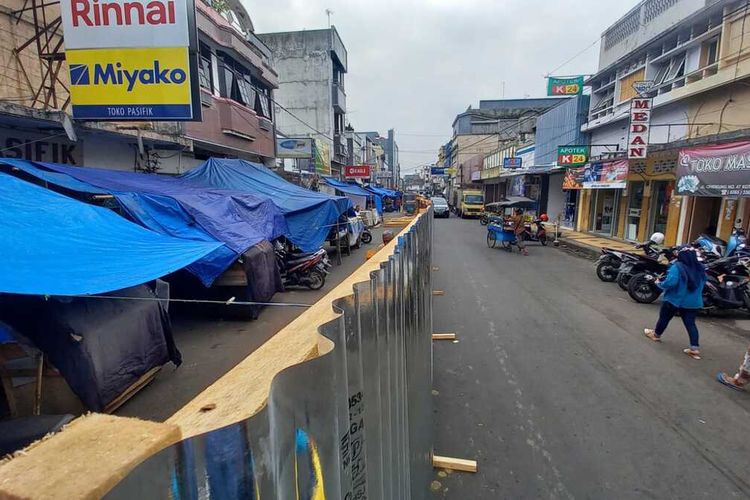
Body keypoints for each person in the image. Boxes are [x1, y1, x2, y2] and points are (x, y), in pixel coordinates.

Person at [643, 249, 706, 359]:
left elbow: (671, 283)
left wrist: (659, 283)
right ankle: (694, 349)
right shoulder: (700, 268)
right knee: (691, 324)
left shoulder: (677, 267)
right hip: (693, 302)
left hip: (675, 300)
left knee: (664, 318)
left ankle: (656, 335)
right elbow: (703, 283)